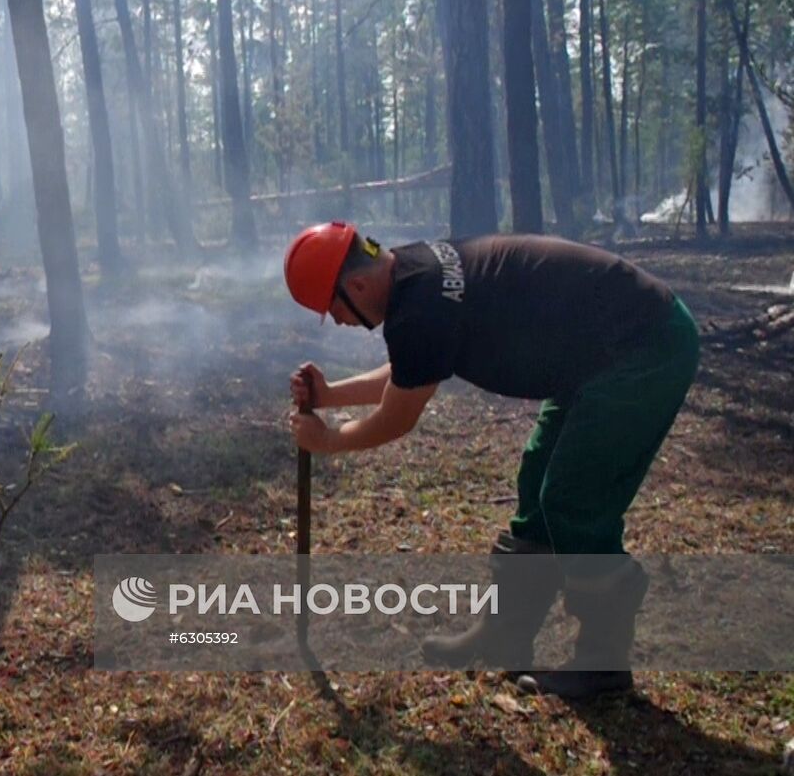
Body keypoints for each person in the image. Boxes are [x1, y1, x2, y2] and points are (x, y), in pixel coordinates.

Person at [284, 222, 699, 699]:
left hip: (643, 348)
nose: (338, 321)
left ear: (356, 285)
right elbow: (412, 367)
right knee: (539, 478)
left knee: (574, 500)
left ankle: (604, 663)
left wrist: (330, 441)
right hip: (602, 351)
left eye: (332, 309)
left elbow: (396, 418)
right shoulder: (413, 270)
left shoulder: (420, 304)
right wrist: (331, 396)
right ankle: (506, 632)